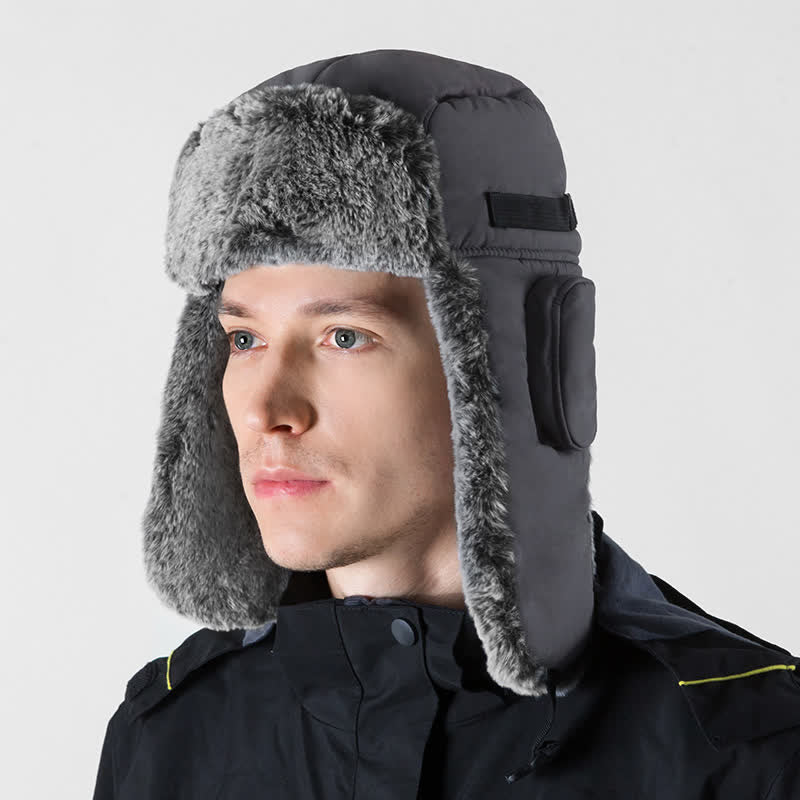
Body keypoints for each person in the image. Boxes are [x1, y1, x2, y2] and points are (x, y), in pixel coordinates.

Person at [92, 48, 800, 798]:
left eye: (343, 337)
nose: (268, 411)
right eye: (244, 339)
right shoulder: (170, 738)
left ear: (496, 363)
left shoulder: (749, 753)